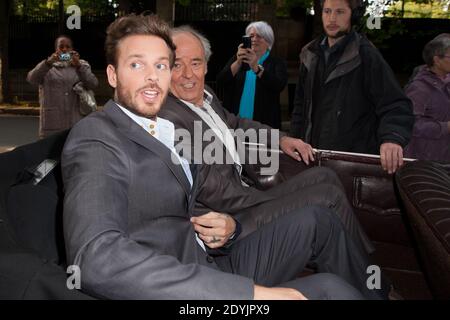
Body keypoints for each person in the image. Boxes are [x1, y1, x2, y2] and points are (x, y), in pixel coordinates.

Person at [62, 14, 385, 300]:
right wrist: (252, 294)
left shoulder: (163, 129)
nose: (152, 77)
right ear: (113, 75)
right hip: (184, 284)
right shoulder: (97, 138)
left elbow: (230, 134)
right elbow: (95, 259)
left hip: (211, 254)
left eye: (160, 64)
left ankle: (375, 285)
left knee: (322, 230)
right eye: (137, 64)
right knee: (330, 283)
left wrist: (230, 229)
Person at [159, 25, 374, 255]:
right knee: (327, 195)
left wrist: (281, 139)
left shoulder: (206, 96)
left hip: (243, 194)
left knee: (326, 175)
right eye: (177, 65)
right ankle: (370, 274)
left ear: (206, 65)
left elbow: (235, 124)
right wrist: (267, 198)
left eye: (195, 63)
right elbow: (215, 192)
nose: (188, 75)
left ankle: (354, 260)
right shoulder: (169, 118)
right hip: (232, 220)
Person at [290, 0, 414, 174]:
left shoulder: (366, 55)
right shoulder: (309, 54)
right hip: (311, 158)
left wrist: (392, 138)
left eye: (340, 12)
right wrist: (295, 141)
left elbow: (395, 104)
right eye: (327, 11)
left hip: (349, 163)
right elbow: (300, 107)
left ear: (353, 16)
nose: (332, 18)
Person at [216, 21, 287, 129]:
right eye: (251, 36)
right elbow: (221, 81)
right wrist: (238, 62)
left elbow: (278, 85)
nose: (254, 39)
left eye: (259, 36)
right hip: (234, 124)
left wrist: (256, 67)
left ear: (268, 42)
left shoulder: (276, 62)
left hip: (263, 125)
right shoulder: (237, 59)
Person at [27, 35, 98, 138]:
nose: (64, 49)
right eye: (61, 47)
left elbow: (93, 84)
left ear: (72, 49)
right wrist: (47, 63)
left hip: (76, 122)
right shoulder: (47, 68)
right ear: (56, 49)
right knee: (52, 153)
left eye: (67, 47)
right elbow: (31, 79)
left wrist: (79, 66)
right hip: (52, 124)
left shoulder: (81, 66)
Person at [404, 34, 450, 161]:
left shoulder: (447, 79)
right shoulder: (419, 88)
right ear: (437, 60)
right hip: (425, 160)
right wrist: (446, 127)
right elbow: (411, 124)